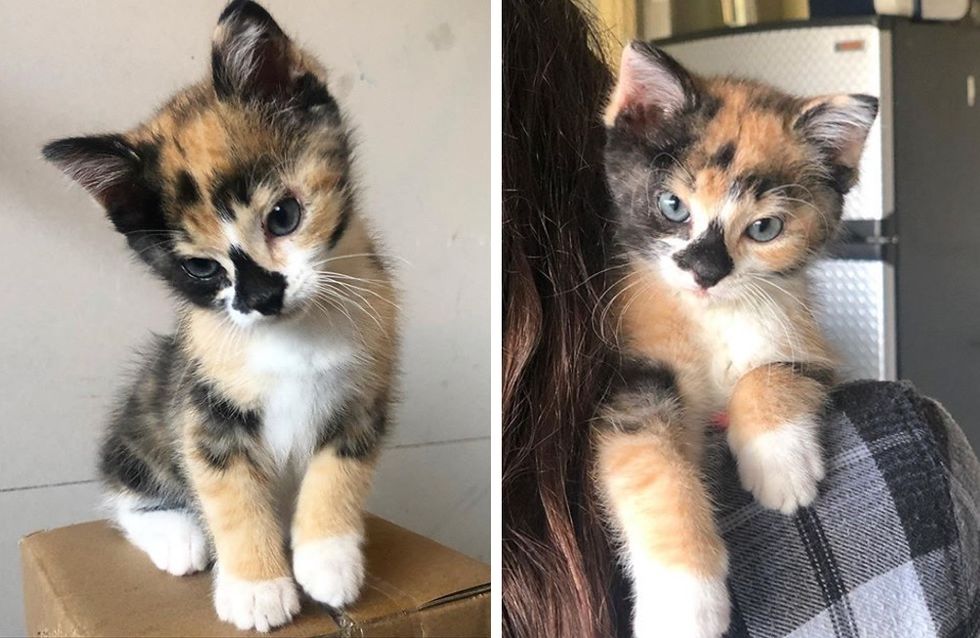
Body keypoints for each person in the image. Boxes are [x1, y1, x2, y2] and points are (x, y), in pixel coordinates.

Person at [501, 1, 980, 636]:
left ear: (837, 172)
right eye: (675, 207)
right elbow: (641, 409)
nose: (706, 267)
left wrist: (771, 396)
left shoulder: (788, 317)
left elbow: (797, 362)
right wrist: (679, 560)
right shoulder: (905, 457)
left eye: (762, 227)